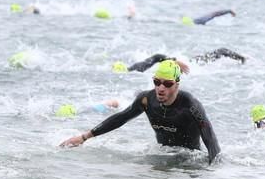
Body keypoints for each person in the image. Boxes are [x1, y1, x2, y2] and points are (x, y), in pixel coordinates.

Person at [60, 60, 221, 163]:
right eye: (157, 82)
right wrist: (83, 137)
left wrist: (213, 168)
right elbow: (121, 118)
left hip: (189, 160)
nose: (160, 88)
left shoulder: (190, 105)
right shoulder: (146, 100)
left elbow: (210, 138)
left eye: (167, 84)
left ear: (177, 85)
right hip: (163, 155)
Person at [121, 48, 245, 74]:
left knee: (220, 52)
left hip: (185, 64)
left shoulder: (137, 68)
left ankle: (243, 59)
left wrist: (175, 61)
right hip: (186, 66)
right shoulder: (137, 69)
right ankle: (243, 59)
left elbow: (157, 56)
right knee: (220, 51)